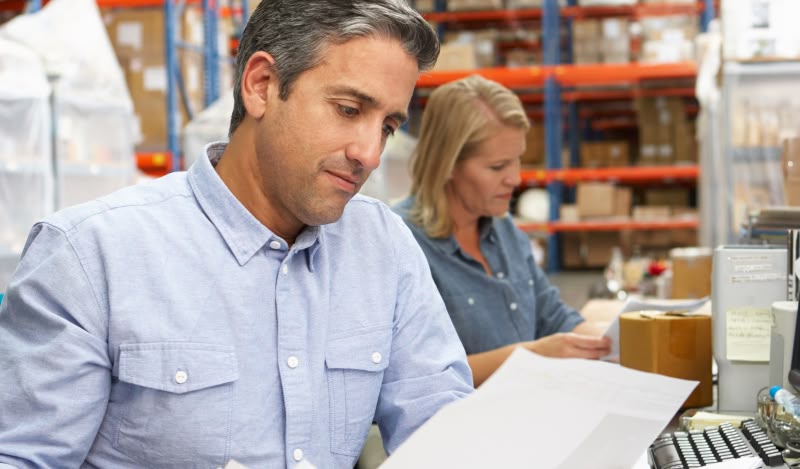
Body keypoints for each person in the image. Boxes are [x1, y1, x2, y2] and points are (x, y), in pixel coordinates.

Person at [0, 1, 474, 467]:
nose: (370, 154)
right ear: (262, 85)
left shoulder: (383, 247)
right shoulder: (91, 256)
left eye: (388, 127)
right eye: (349, 109)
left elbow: (447, 432)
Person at [393, 75, 611, 387]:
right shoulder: (401, 242)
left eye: (517, 161)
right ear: (448, 164)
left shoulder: (505, 231)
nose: (515, 178)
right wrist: (532, 356)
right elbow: (416, 375)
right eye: (498, 167)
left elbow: (554, 320)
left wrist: (622, 335)